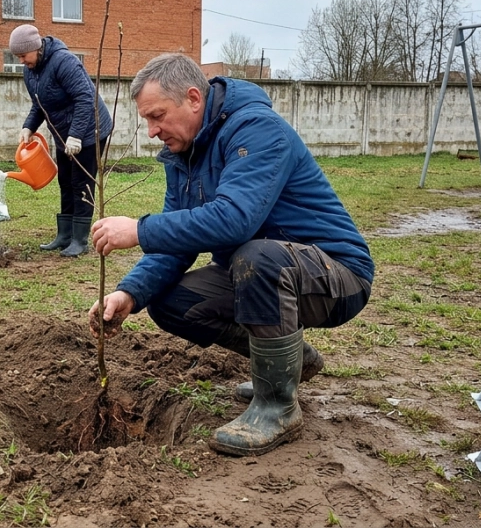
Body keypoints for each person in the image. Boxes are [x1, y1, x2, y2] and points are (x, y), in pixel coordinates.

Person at [86, 53, 374, 457]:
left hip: (336, 274)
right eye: (146, 120)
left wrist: (138, 229)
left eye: (157, 116)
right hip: (261, 271)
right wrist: (130, 293)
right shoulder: (183, 155)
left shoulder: (256, 130)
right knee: (170, 303)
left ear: (193, 98)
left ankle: (277, 408)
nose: (151, 131)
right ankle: (290, 363)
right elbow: (178, 241)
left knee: (256, 256)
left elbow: (235, 220)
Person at [9, 24, 113, 257]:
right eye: (18, 57)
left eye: (23, 55)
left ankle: (80, 239)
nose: (21, 61)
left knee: (81, 183)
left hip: (89, 130)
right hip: (62, 132)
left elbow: (85, 99)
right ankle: (64, 235)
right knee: (65, 180)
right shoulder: (31, 70)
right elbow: (39, 104)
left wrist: (76, 135)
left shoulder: (64, 62)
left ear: (35, 48)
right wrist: (28, 126)